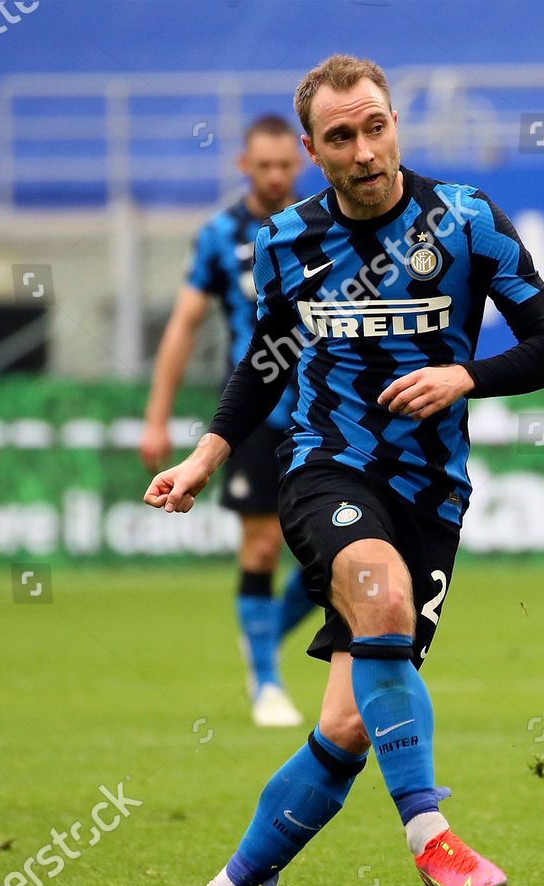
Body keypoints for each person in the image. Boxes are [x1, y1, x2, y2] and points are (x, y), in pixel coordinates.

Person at [141, 54, 544, 886]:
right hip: (325, 469)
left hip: (432, 494)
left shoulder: (466, 220)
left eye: (376, 126)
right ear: (312, 150)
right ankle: (430, 833)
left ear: (394, 125)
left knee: (345, 728)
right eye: (341, 136)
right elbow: (266, 362)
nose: (365, 149)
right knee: (374, 587)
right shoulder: (286, 241)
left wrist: (463, 374)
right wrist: (207, 453)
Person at [139, 114, 315, 727]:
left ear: (302, 162)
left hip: (325, 408)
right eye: (261, 165)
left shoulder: (321, 225)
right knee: (262, 546)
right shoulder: (219, 235)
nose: (273, 176)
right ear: (244, 165)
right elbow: (183, 325)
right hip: (256, 413)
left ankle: (260, 638)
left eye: (284, 165)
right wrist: (156, 419)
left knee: (331, 559)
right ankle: (266, 682)